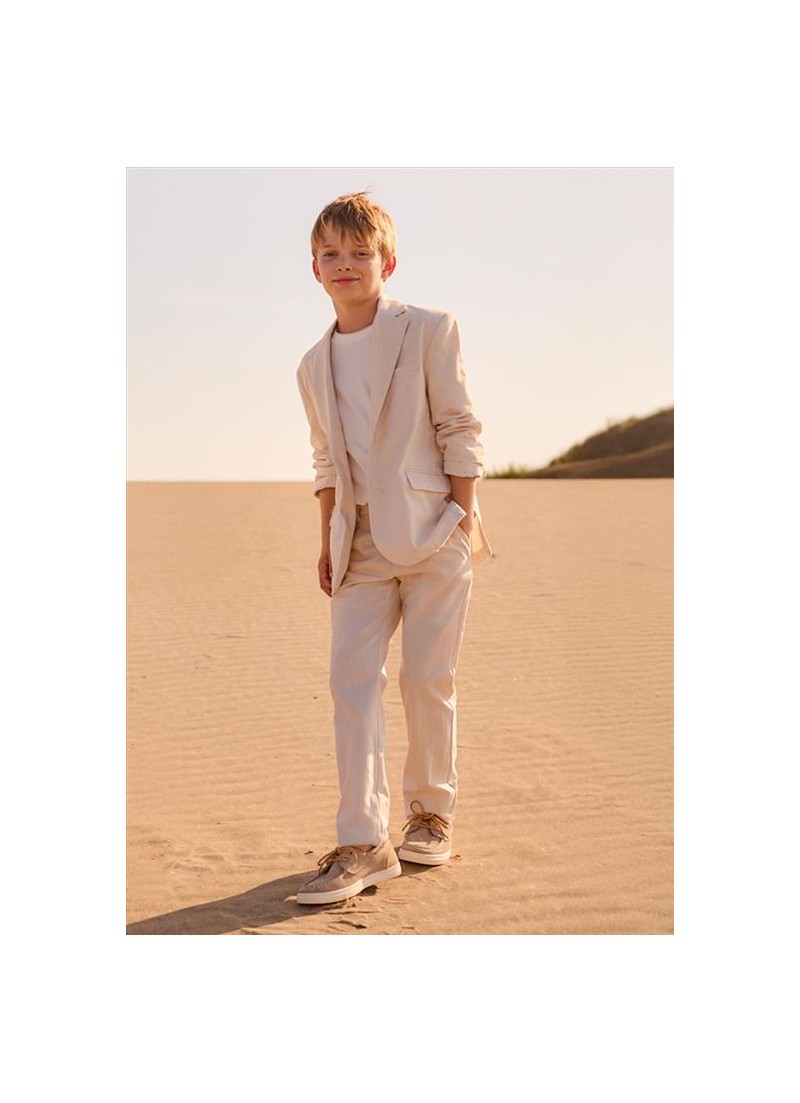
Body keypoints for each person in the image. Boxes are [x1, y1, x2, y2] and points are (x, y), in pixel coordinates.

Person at [295, 192, 491, 906]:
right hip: (358, 543)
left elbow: (460, 425)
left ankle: (431, 813)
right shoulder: (311, 365)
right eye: (331, 254)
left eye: (359, 252)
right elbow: (326, 459)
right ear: (314, 268)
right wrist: (328, 537)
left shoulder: (430, 329)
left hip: (435, 529)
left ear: (388, 262)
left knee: (426, 678)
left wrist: (460, 517)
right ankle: (363, 842)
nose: (345, 264)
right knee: (350, 682)